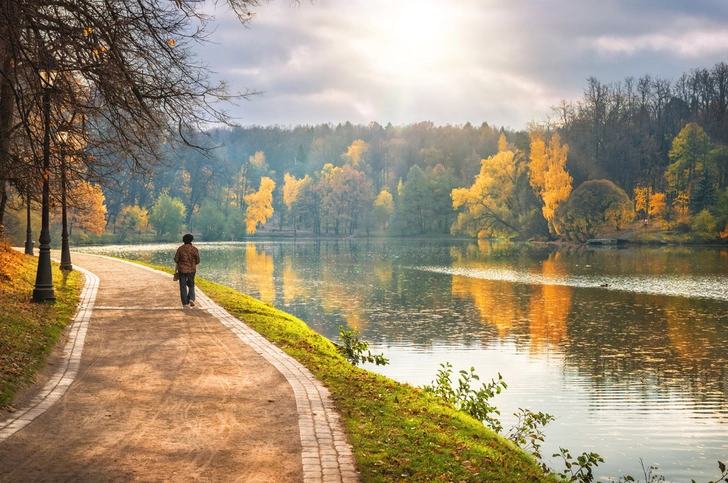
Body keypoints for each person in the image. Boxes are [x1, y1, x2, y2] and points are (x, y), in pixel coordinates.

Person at [174, 233, 200, 307]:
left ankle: (185, 303)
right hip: (192, 269)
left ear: (183, 240)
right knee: (191, 285)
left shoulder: (180, 249)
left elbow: (176, 259)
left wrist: (181, 262)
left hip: (182, 270)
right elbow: (198, 261)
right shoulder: (195, 249)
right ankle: (191, 298)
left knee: (183, 286)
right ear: (191, 240)